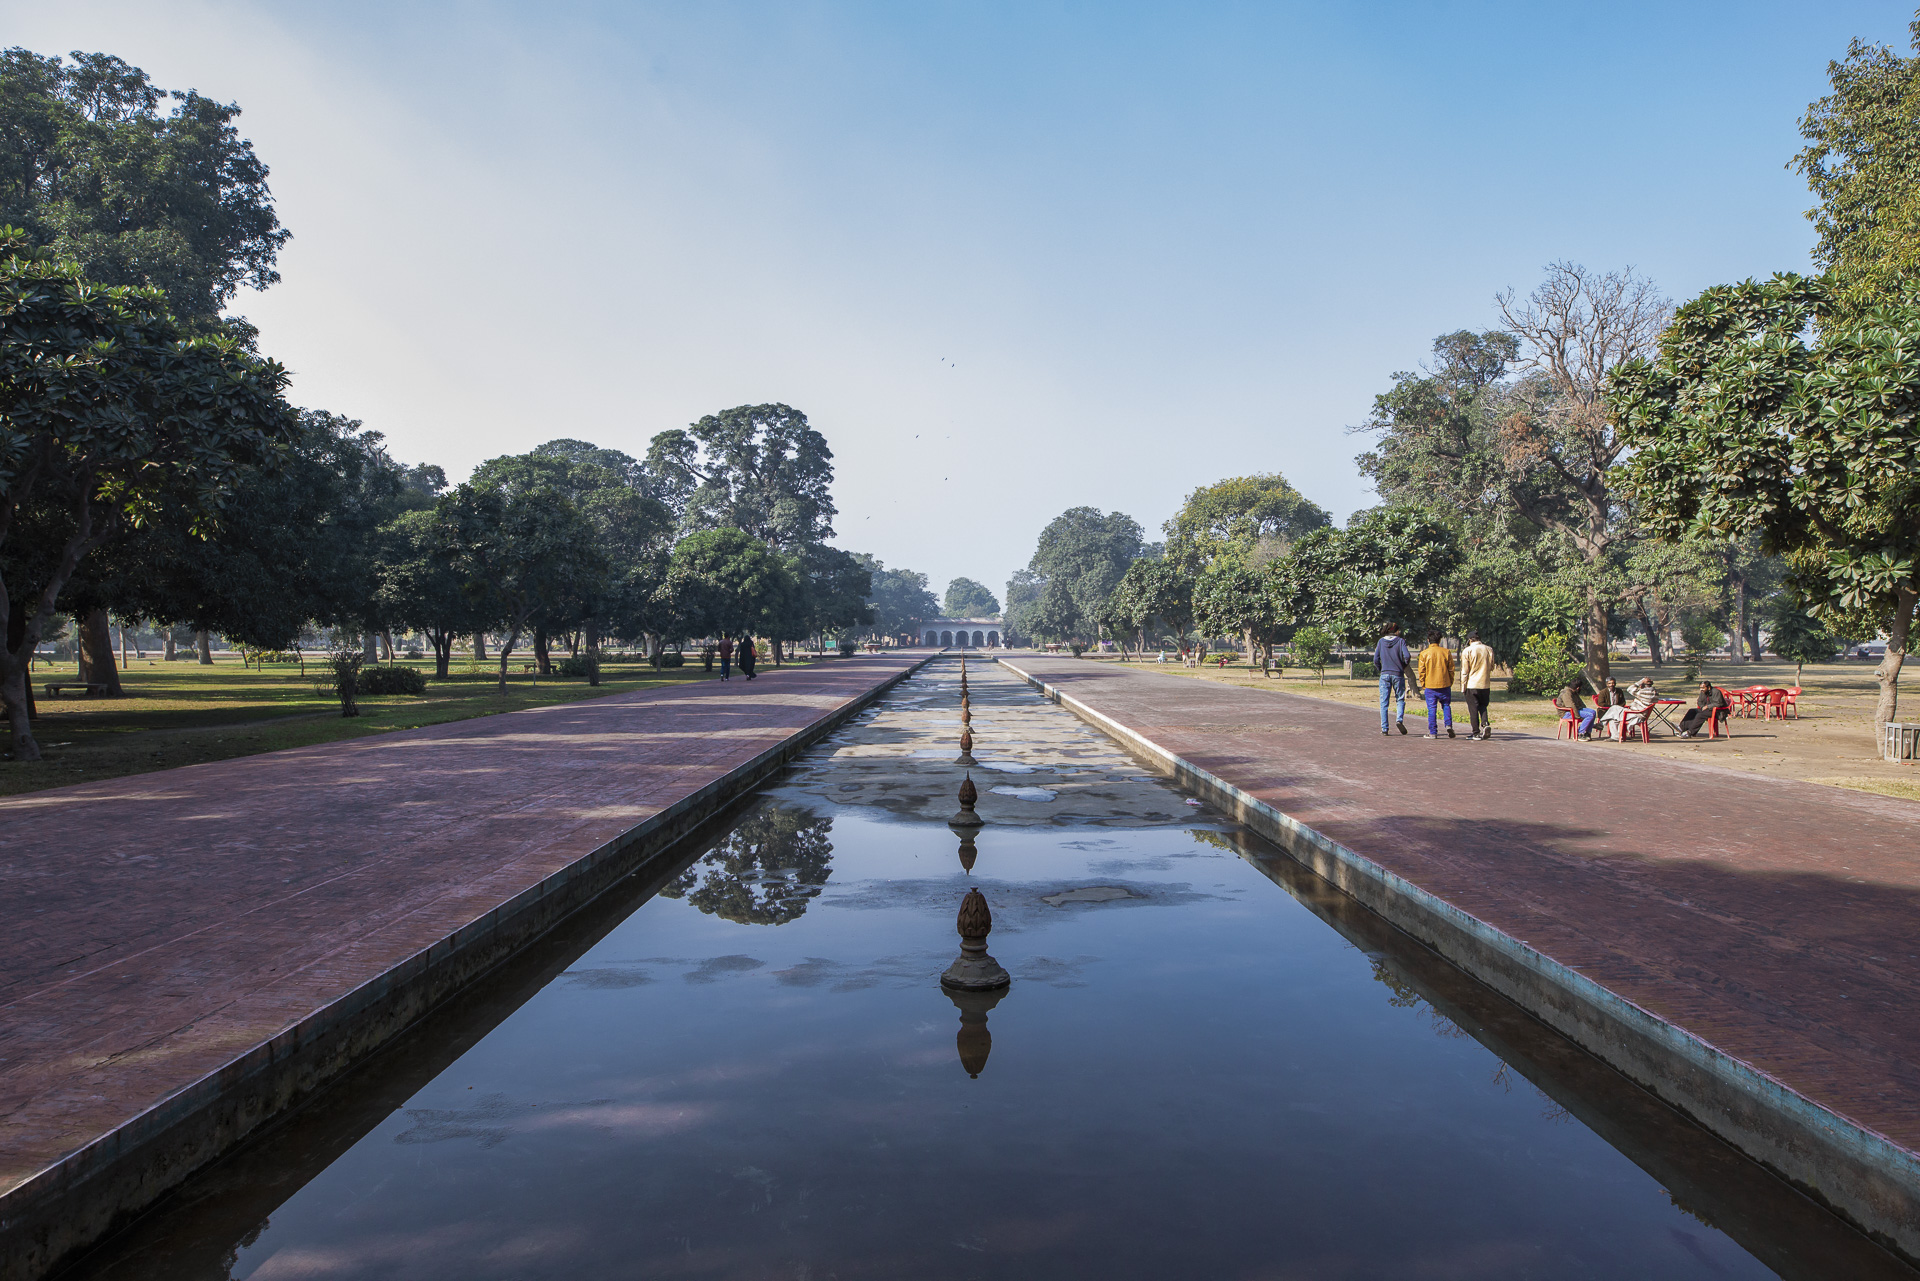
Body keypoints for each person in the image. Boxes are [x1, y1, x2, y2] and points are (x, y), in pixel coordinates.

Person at [1374, 623, 1413, 735]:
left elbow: (1376, 659)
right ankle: (1399, 720)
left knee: (1384, 702)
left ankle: (1384, 728)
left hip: (1385, 674)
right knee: (1400, 699)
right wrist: (1403, 666)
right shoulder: (1400, 641)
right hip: (1398, 674)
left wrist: (1381, 669)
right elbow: (1407, 656)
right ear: (1396, 631)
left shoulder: (1381, 642)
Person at [1416, 630, 1456, 739]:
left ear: (1428, 640)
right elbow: (1451, 669)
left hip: (1430, 685)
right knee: (1446, 705)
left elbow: (1421, 671)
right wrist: (1450, 681)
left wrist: (1423, 684)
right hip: (1444, 684)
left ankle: (1433, 732)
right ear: (1440, 640)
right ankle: (1448, 725)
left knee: (1432, 709)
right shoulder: (1446, 652)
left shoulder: (1424, 654)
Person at [1459, 632, 1495, 740]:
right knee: (1483, 705)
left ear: (1470, 640)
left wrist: (1463, 686)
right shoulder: (1489, 649)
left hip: (1472, 684)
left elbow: (1465, 671)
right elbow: (1492, 666)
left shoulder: (1467, 651)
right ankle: (1485, 723)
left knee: (1473, 709)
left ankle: (1476, 733)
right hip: (1485, 684)